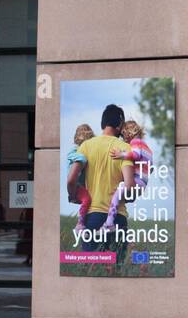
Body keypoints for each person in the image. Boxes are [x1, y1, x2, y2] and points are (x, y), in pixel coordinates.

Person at [65, 105, 136, 257]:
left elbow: (71, 179)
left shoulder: (85, 146)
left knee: (92, 269)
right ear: (120, 124)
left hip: (91, 217)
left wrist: (73, 196)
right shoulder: (124, 148)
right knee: (116, 272)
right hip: (117, 217)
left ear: (103, 123)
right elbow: (130, 186)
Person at [103, 119, 153, 230]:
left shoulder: (136, 142)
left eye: (123, 135)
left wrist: (121, 154)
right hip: (143, 183)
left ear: (129, 133)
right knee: (122, 196)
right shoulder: (148, 148)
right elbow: (151, 167)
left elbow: (135, 155)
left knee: (117, 193)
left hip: (137, 181)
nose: (123, 139)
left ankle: (109, 223)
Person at [66, 123, 95, 232]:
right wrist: (82, 158)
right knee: (87, 199)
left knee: (87, 201)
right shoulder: (75, 151)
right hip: (77, 186)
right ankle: (80, 223)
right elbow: (73, 157)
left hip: (81, 185)